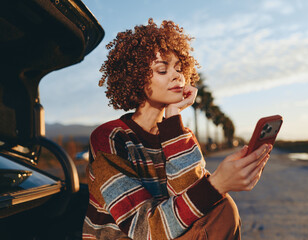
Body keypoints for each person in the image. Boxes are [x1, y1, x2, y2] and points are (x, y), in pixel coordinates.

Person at [82, 18, 272, 240]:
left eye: (180, 68)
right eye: (162, 70)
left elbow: (191, 202)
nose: (177, 76)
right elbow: (143, 228)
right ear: (134, 78)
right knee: (222, 211)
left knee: (223, 208)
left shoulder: (179, 135)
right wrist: (217, 183)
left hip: (165, 234)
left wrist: (173, 119)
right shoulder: (110, 137)